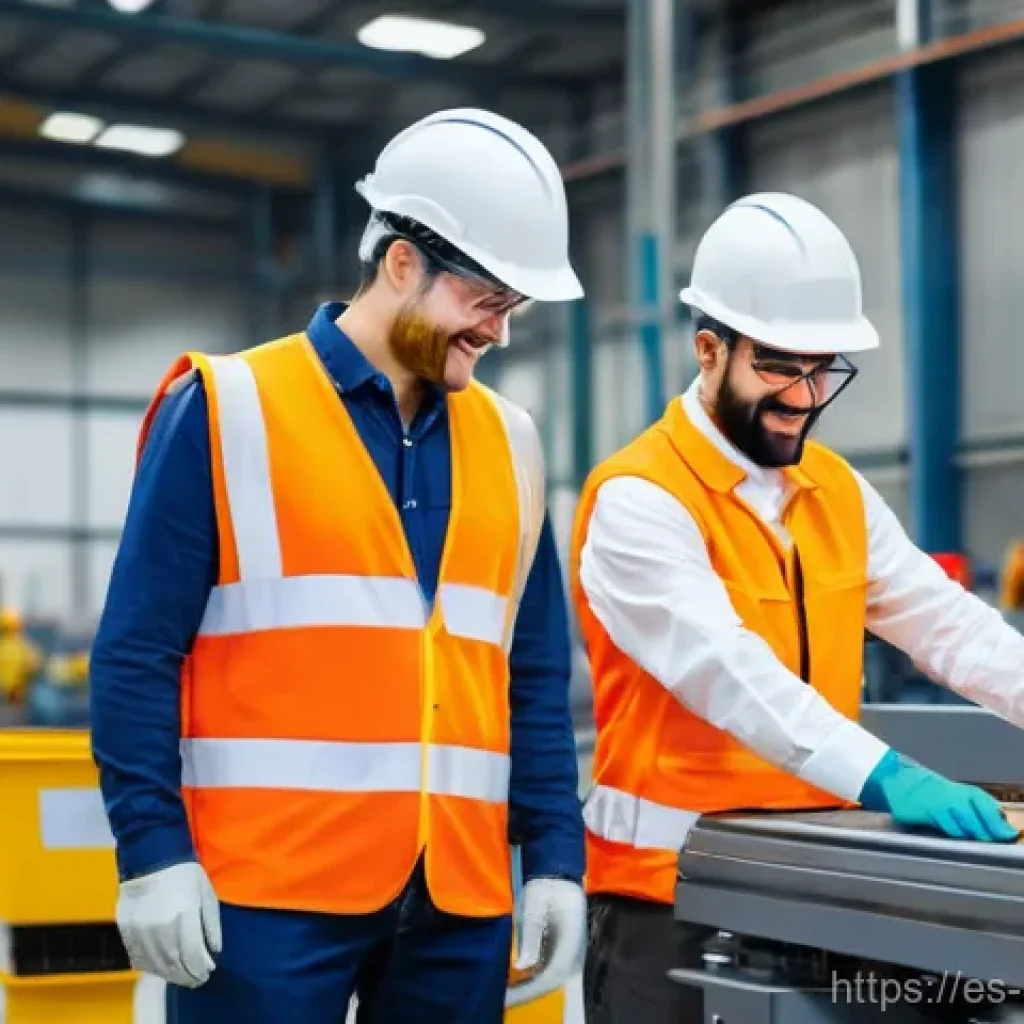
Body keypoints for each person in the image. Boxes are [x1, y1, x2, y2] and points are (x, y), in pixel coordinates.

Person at [90, 108, 587, 1024]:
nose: (500, 333)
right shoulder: (228, 407)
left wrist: (555, 855)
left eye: (511, 308)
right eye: (486, 302)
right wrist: (151, 851)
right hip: (267, 892)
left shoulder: (512, 442)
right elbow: (136, 653)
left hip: (458, 897)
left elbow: (531, 671)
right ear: (402, 263)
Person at [570, 192, 1024, 1023]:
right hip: (667, 896)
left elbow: (951, 628)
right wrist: (889, 775)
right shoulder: (641, 498)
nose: (805, 396)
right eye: (780, 367)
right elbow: (728, 671)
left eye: (823, 369)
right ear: (709, 349)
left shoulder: (835, 492)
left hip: (815, 886)